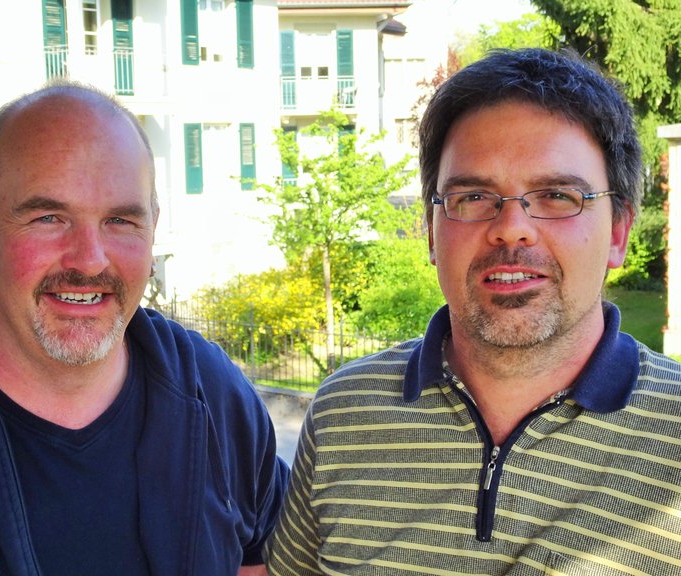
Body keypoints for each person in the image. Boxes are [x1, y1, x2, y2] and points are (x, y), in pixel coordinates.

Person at [264, 48, 681, 575]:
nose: (511, 228)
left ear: (618, 232)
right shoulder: (342, 414)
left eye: (557, 195)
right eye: (474, 197)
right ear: (431, 231)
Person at [0, 82, 288, 575]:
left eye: (120, 221)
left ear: (152, 229)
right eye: (49, 217)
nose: (89, 261)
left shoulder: (213, 394)